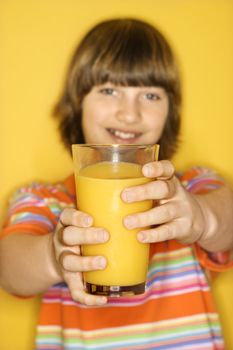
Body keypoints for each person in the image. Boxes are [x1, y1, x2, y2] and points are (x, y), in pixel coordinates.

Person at [0, 18, 233, 350]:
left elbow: (229, 214)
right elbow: (9, 267)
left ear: (171, 113)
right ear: (77, 103)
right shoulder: (46, 201)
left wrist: (203, 218)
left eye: (150, 95)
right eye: (109, 90)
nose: (129, 113)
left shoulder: (190, 190)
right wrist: (53, 256)